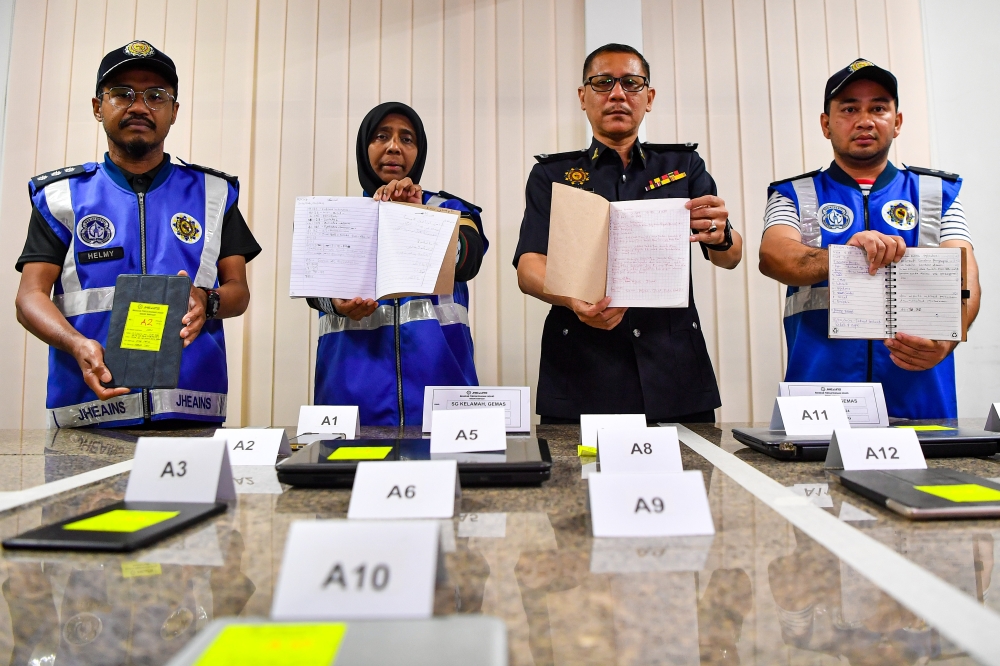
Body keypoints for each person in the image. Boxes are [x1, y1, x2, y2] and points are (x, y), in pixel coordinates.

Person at [14, 41, 261, 428]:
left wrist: (207, 302)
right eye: (122, 94)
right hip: (90, 411)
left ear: (174, 111)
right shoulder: (61, 197)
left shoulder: (214, 194)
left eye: (156, 95)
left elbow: (238, 291)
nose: (140, 106)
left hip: (190, 410)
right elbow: (29, 297)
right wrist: (76, 343)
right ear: (98, 107)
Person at [514, 43, 743, 424]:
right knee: (575, 485)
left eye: (631, 83)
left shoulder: (683, 165)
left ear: (648, 97)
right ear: (582, 97)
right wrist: (574, 300)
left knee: (684, 483)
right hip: (583, 370)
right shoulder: (552, 176)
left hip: (673, 373)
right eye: (603, 83)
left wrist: (719, 234)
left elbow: (730, 256)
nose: (618, 94)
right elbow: (529, 266)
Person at [758, 58, 980, 419]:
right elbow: (773, 257)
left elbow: (965, 275)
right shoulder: (794, 193)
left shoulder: (938, 193)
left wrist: (948, 340)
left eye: (878, 108)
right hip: (822, 398)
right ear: (826, 124)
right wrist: (843, 257)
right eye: (849, 109)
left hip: (919, 391)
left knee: (928, 477)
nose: (864, 120)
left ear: (897, 122)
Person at [308, 102, 487, 426]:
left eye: (407, 139)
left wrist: (418, 218)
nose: (394, 146)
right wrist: (335, 302)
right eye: (381, 136)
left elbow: (468, 259)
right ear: (365, 147)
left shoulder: (450, 209)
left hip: (442, 404)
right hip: (349, 405)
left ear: (419, 151)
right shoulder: (335, 216)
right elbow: (313, 293)